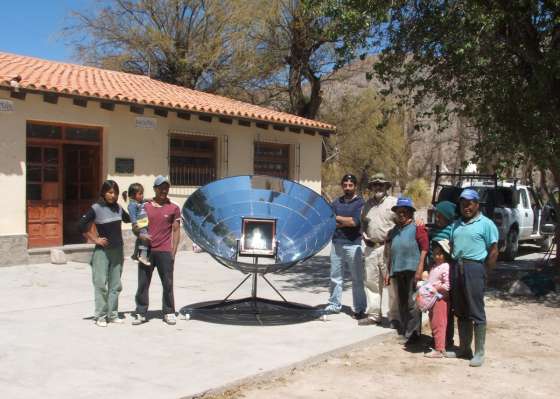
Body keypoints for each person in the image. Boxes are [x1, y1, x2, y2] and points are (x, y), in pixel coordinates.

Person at [447, 188, 498, 367]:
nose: (466, 207)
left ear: (477, 204)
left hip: (475, 268)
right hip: (457, 267)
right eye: (463, 203)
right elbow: (452, 245)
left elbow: (493, 250)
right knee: (460, 310)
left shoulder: (486, 224)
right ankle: (464, 348)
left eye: (469, 203)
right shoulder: (456, 224)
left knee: (476, 310)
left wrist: (486, 272)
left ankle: (479, 352)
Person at [79, 180, 130, 327]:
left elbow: (131, 219)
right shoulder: (96, 208)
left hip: (117, 251)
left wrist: (138, 205)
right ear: (103, 193)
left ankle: (112, 314)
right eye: (110, 192)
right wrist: (95, 239)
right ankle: (100, 316)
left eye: (116, 193)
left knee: (115, 285)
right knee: (100, 283)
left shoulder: (119, 208)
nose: (113, 196)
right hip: (102, 252)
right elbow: (80, 225)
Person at [132, 176, 182, 326]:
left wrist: (173, 252)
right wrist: (138, 232)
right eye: (161, 187)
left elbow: (176, 230)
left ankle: (169, 312)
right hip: (146, 251)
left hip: (164, 251)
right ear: (155, 189)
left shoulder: (174, 208)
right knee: (143, 283)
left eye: (166, 187)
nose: (164, 190)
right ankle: (141, 312)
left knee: (167, 283)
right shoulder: (145, 206)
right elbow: (137, 228)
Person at [385, 197, 429, 344]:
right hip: (397, 270)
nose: (401, 214)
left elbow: (424, 248)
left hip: (412, 270)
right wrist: (387, 272)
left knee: (413, 303)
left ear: (410, 213)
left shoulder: (418, 228)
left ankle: (414, 334)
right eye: (399, 212)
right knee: (402, 302)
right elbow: (390, 252)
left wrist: (420, 267)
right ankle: (405, 331)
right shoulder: (394, 231)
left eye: (404, 211)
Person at [325, 174, 367, 322]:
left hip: (353, 244)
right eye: (345, 185)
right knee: (335, 277)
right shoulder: (336, 202)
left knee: (357, 278)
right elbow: (329, 219)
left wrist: (337, 218)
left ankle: (360, 308)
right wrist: (342, 221)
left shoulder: (360, 203)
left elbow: (354, 222)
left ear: (355, 186)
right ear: (342, 186)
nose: (347, 188)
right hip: (337, 243)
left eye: (350, 185)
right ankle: (334, 304)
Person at [360, 173, 398, 326]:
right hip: (370, 249)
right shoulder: (366, 205)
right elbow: (363, 223)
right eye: (375, 184)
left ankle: (394, 317)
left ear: (386, 186)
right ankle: (374, 315)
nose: (378, 187)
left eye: (381, 184)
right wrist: (363, 235)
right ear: (371, 187)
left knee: (391, 284)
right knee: (371, 282)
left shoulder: (394, 203)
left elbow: (404, 222)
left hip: (387, 248)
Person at [428, 200, 457, 349]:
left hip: (446, 274)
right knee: (434, 309)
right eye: (436, 215)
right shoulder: (434, 231)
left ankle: (447, 339)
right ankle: (436, 338)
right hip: (434, 271)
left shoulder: (452, 230)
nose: (437, 218)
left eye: (440, 216)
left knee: (446, 310)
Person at [424, 240, 451, 358]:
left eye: (440, 254)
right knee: (434, 322)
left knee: (439, 323)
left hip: (440, 299)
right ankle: (438, 346)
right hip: (432, 299)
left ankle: (439, 349)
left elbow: (447, 285)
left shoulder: (445, 267)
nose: (436, 256)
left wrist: (436, 288)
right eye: (435, 254)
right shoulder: (435, 266)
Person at [125, 183, 151, 266]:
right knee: (145, 239)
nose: (142, 195)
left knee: (139, 240)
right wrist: (134, 224)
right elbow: (132, 216)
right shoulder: (132, 205)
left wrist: (151, 199)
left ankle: (134, 255)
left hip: (144, 225)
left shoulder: (140, 202)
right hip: (139, 226)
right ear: (133, 195)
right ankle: (143, 256)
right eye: (140, 194)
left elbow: (146, 200)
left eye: (142, 193)